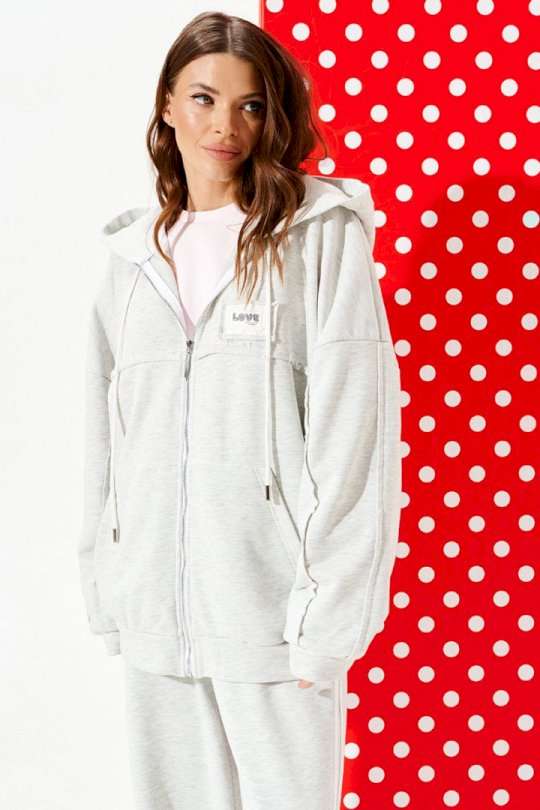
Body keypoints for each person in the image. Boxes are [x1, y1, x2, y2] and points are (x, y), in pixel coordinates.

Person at [77, 11, 402, 810]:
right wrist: (109, 585)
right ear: (167, 105)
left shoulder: (317, 237)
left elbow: (355, 429)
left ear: (272, 117)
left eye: (250, 105)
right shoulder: (131, 261)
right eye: (203, 98)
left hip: (276, 619)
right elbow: (105, 438)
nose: (225, 124)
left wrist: (329, 619)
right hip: (157, 617)